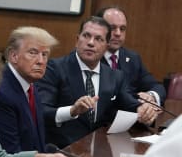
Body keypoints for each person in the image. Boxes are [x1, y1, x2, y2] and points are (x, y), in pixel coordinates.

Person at [36, 16, 158, 149]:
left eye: (98, 39)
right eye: (86, 36)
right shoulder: (54, 68)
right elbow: (42, 112)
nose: (90, 43)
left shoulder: (115, 76)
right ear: (77, 40)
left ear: (106, 46)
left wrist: (144, 111)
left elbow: (130, 105)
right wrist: (72, 111)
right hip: (60, 151)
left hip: (99, 153)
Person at [0, 26, 59, 153]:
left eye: (45, 54)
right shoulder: (1, 92)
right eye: (33, 53)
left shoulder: (30, 85)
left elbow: (35, 142)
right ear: (13, 56)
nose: (41, 61)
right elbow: (10, 151)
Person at [95, 6, 166, 106]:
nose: (118, 33)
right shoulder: (90, 57)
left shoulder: (132, 58)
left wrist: (150, 96)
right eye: (112, 28)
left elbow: (156, 86)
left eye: (122, 29)